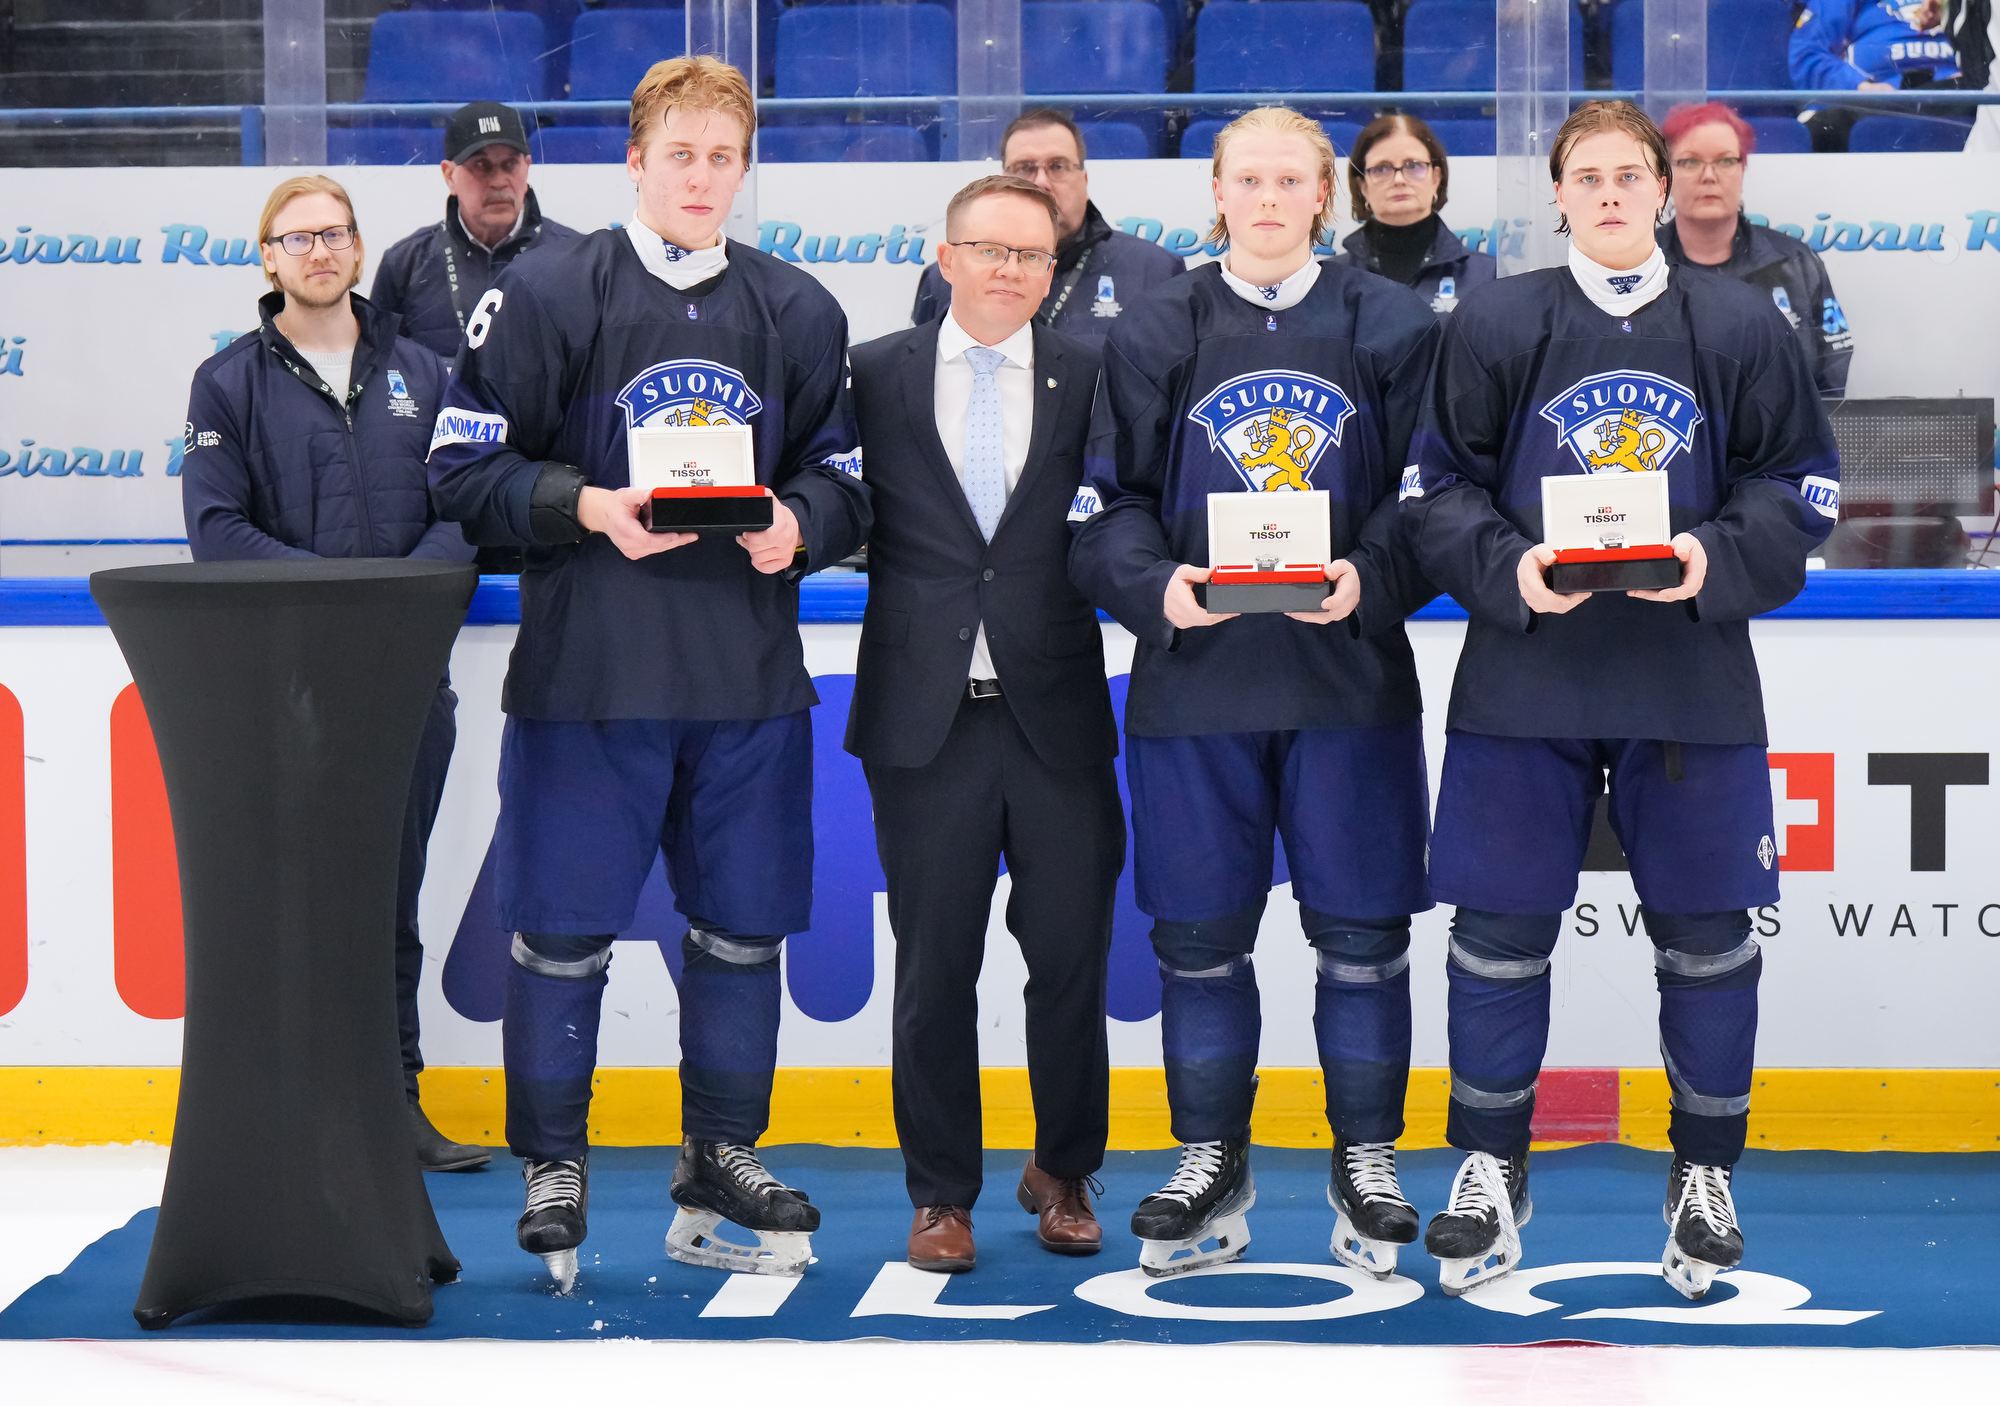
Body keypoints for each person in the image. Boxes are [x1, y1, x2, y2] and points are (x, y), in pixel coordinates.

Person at [425, 56, 871, 1292]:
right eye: (680, 154)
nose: (701, 177)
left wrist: (802, 523)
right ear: (634, 160)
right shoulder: (546, 291)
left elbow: (845, 476)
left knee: (742, 930)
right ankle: (553, 1161)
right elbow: (461, 469)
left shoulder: (797, 308)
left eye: (723, 157)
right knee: (562, 935)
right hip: (591, 677)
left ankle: (720, 1152)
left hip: (745, 684)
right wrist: (586, 503)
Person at [1403, 101, 1839, 1303]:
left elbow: (1800, 482)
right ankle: (1490, 1165)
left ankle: (1703, 1173)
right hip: (1525, 676)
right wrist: (1508, 566)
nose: (1606, 194)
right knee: (1496, 935)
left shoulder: (1738, 320)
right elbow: (1434, 486)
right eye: (1584, 176)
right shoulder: (1495, 318)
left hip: (1685, 680)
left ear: (1661, 188)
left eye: (1626, 174)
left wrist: (1707, 556)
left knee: (1705, 939)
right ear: (1557, 195)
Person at [1069, 107, 1440, 1280]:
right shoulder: (1156, 325)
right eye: (1248, 179)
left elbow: (1429, 496)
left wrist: (1369, 574)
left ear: (1324, 193)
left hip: (1346, 680)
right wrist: (1154, 584)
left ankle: (1365, 1155)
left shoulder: (1390, 321)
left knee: (1362, 938)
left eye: (1290, 179)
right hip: (1196, 682)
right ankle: (1209, 1155)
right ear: (1216, 192)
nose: (1269, 198)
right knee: (1196, 941)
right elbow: (1103, 503)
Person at [179, 174, 484, 1175]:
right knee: (296, 907)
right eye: (297, 237)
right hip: (290, 691)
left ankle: (394, 1104)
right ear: (268, 258)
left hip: (406, 683)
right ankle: (297, 1118)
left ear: (359, 248)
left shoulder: (429, 372)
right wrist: (344, 603)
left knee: (390, 903)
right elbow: (218, 531)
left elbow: (463, 509)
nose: (319, 251)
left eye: (335, 233)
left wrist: (396, 611)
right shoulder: (227, 382)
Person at [849, 175, 1125, 1274]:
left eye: (1031, 254)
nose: (1010, 269)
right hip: (924, 721)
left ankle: (1063, 1170)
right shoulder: (872, 371)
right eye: (990, 249)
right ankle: (940, 1195)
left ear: (1054, 270)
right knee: (933, 970)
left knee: (1070, 960)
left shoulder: (1093, 374)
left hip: (1054, 712)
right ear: (946, 256)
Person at [910, 109, 1184, 339]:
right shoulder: (950, 274)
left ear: (1084, 180)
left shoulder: (1154, 270)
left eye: (1058, 166)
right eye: (1025, 167)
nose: (1041, 182)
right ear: (1004, 179)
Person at [1658, 102, 1853, 399]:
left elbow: (1832, 366)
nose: (1709, 175)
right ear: (1666, 176)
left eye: (1725, 161)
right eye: (1690, 162)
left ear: (1742, 169)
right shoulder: (1637, 266)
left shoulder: (1796, 262)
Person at [371, 102, 582, 364]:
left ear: (527, 166)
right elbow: (376, 367)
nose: (499, 181)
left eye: (510, 164)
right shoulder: (405, 263)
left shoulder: (575, 257)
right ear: (449, 175)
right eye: (482, 165)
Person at [1335, 113, 1495, 314]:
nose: (1399, 180)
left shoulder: (1486, 275)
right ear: (1363, 186)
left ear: (1435, 178)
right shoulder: (1333, 279)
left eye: (1413, 165)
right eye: (1381, 169)